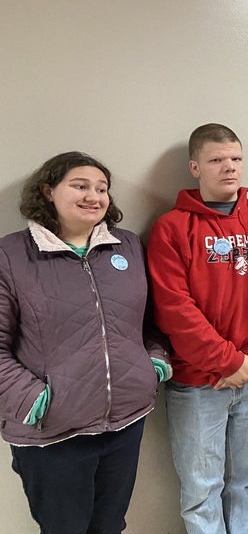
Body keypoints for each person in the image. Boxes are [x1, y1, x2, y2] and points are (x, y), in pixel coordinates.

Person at [0, 151, 171, 533]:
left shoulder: (127, 246)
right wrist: (32, 400)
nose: (94, 196)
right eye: (80, 186)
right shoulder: (10, 254)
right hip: (52, 433)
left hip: (125, 422)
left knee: (110, 524)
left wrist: (153, 363)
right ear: (48, 191)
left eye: (102, 188)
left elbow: (150, 322)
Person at [148, 124, 248, 533]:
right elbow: (174, 309)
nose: (229, 167)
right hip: (197, 384)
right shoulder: (171, 228)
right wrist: (226, 361)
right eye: (216, 160)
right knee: (201, 487)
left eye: (236, 159)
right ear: (195, 167)